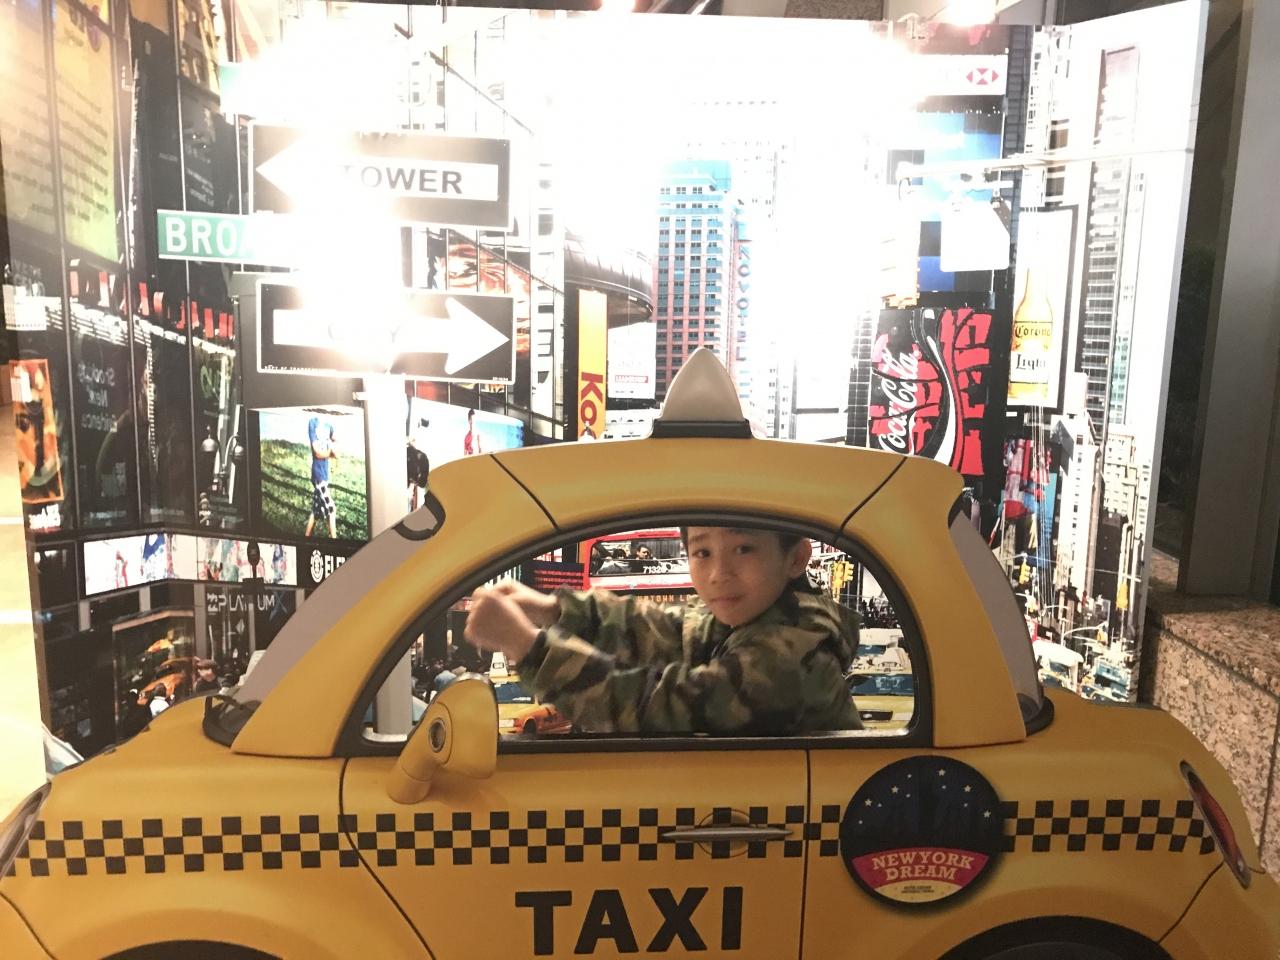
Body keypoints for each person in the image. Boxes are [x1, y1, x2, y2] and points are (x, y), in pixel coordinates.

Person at [465, 526, 862, 735]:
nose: (719, 573)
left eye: (744, 549)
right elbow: (665, 626)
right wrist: (551, 609)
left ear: (796, 558)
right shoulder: (750, 619)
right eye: (702, 552)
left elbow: (656, 708)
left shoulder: (789, 653)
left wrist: (527, 646)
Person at [304, 415, 339, 538]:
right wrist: (331, 454)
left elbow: (335, 439)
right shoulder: (313, 422)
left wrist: (334, 443)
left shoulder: (328, 423)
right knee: (332, 510)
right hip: (318, 475)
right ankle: (334, 542)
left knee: (315, 511)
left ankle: (306, 538)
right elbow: (317, 453)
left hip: (324, 474)